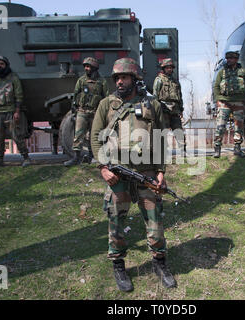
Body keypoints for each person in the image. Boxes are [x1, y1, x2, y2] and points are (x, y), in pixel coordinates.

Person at [90, 57, 176, 292]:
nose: (119, 82)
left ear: (135, 78)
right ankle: (118, 265)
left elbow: (160, 140)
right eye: (116, 77)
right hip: (117, 174)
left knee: (155, 222)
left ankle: (159, 263)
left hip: (146, 173)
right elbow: (95, 137)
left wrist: (160, 171)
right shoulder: (106, 105)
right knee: (116, 223)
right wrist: (103, 168)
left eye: (124, 77)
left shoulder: (153, 104)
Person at [64, 57, 109, 166]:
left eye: (88, 66)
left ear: (94, 68)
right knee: (78, 134)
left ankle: (92, 156)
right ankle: (76, 157)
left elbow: (106, 98)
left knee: (94, 136)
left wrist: (105, 113)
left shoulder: (102, 81)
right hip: (82, 111)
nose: (86, 69)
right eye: (85, 66)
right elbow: (76, 94)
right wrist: (74, 108)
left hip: (95, 113)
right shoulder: (81, 80)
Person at [0, 56, 31, 168]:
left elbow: (19, 95)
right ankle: (0, 160)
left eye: (2, 64)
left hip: (11, 112)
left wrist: (17, 111)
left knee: (16, 136)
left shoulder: (13, 79)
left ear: (6, 65)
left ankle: (26, 158)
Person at [212, 51, 245, 158]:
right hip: (224, 102)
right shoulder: (222, 72)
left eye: (231, 58)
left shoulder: (243, 72)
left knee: (238, 126)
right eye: (228, 58)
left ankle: (237, 148)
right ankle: (217, 148)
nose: (229, 60)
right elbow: (216, 86)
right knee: (220, 126)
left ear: (236, 59)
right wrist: (217, 100)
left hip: (239, 102)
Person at [153, 58, 186, 154]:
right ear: (163, 68)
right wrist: (157, 109)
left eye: (171, 68)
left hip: (175, 109)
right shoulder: (159, 80)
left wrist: (181, 109)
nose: (170, 69)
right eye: (167, 68)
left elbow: (180, 96)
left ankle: (183, 150)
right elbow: (155, 96)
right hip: (163, 109)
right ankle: (161, 151)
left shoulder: (175, 82)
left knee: (178, 130)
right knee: (162, 131)